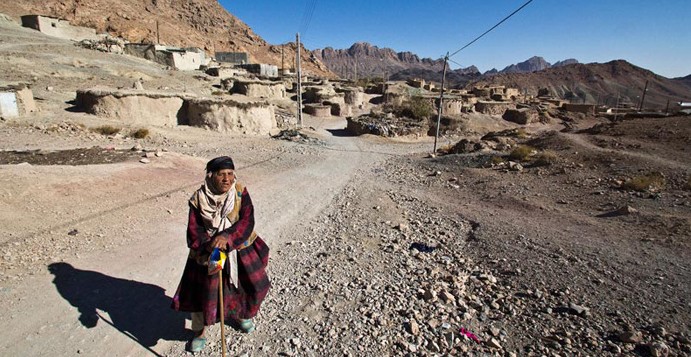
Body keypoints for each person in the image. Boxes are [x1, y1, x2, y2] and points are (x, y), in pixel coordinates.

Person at [172, 156, 270, 352]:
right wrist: (211, 246)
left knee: (252, 285)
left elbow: (247, 221)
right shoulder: (198, 199)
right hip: (212, 252)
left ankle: (242, 315)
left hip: (238, 247)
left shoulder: (240, 193)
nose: (227, 179)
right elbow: (194, 231)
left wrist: (227, 237)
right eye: (221, 174)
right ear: (211, 176)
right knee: (205, 293)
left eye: (230, 174)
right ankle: (200, 332)